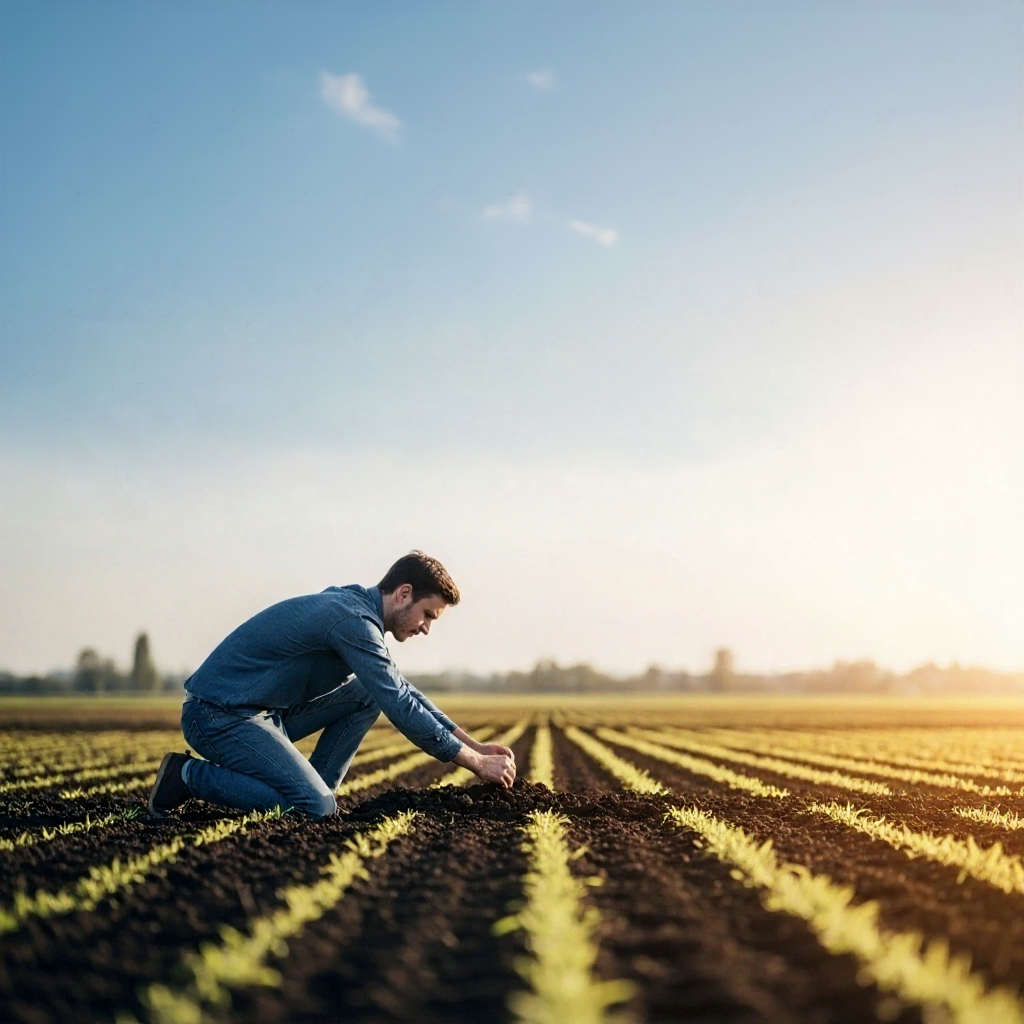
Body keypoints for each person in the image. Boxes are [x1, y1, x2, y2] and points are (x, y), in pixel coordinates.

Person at [147, 551, 516, 817]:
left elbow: (400, 689)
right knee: (314, 806)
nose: (426, 627)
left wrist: (475, 745)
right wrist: (474, 763)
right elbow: (401, 707)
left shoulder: (356, 608)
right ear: (404, 594)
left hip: (263, 714)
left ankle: (315, 788)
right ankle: (186, 775)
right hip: (217, 715)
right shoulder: (353, 621)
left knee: (369, 693)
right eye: (427, 615)